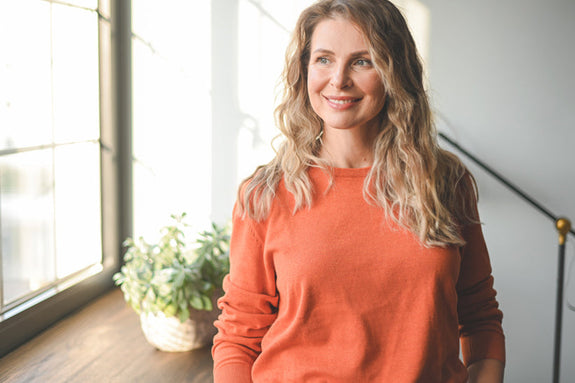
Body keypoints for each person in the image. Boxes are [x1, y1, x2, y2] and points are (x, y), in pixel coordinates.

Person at [212, 0, 505, 382]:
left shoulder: (445, 183)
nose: (339, 80)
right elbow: (238, 336)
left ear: (394, 71)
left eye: (362, 61)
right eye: (324, 59)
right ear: (304, 70)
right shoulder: (265, 194)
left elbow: (480, 317)